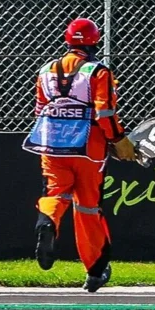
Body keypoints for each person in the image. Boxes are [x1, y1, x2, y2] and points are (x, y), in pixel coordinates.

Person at [22, 18, 136, 292]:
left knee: (54, 193)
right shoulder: (98, 71)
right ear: (95, 42)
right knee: (87, 206)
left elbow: (40, 110)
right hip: (88, 148)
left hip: (50, 144)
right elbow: (104, 113)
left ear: (67, 40)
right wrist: (118, 141)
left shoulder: (45, 70)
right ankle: (95, 271)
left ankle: (47, 222)